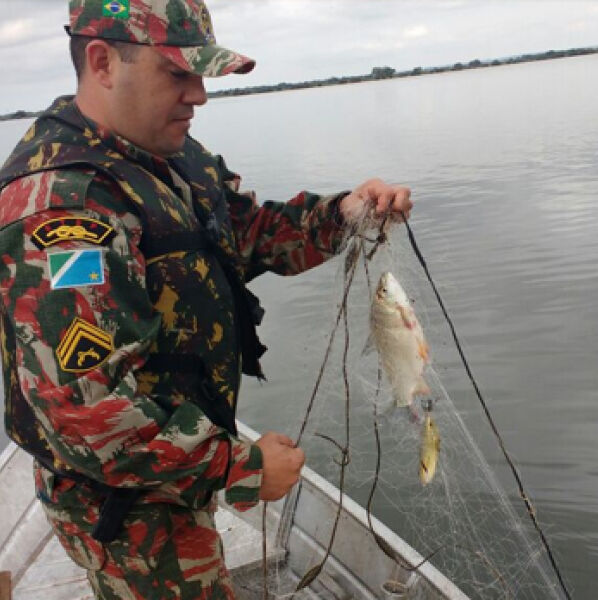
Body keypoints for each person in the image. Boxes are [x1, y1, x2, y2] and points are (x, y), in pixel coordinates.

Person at [0, 1, 412, 598]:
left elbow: (242, 234)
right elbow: (86, 415)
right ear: (102, 61)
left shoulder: (170, 156)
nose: (200, 96)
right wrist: (240, 469)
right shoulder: (64, 206)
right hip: (129, 508)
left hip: (176, 469)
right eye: (178, 73)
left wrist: (341, 215)